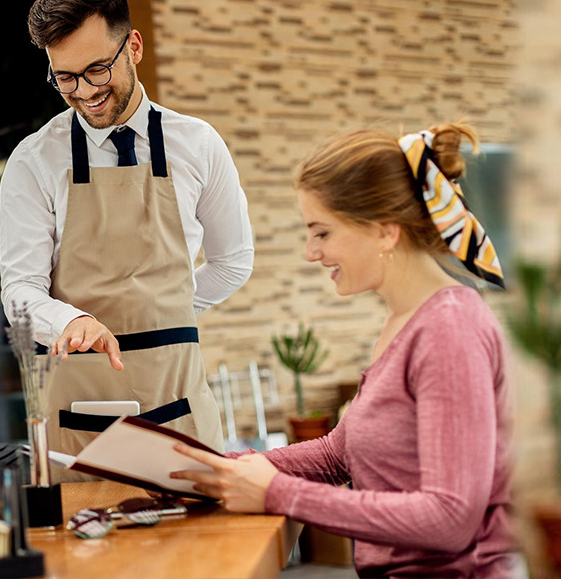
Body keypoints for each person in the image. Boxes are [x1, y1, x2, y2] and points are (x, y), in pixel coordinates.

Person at [172, 124, 518, 578]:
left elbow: (451, 519)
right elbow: (341, 454)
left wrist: (277, 492)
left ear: (383, 232)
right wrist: (216, 469)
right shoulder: (404, 321)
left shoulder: (449, 330)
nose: (311, 252)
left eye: (322, 233)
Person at [0, 0, 254, 459]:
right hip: (79, 417)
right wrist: (73, 322)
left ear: (133, 46)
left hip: (176, 400)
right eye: (64, 78)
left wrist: (163, 312)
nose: (83, 92)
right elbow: (19, 292)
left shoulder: (198, 144)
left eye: (97, 70)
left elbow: (232, 262)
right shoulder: (34, 161)